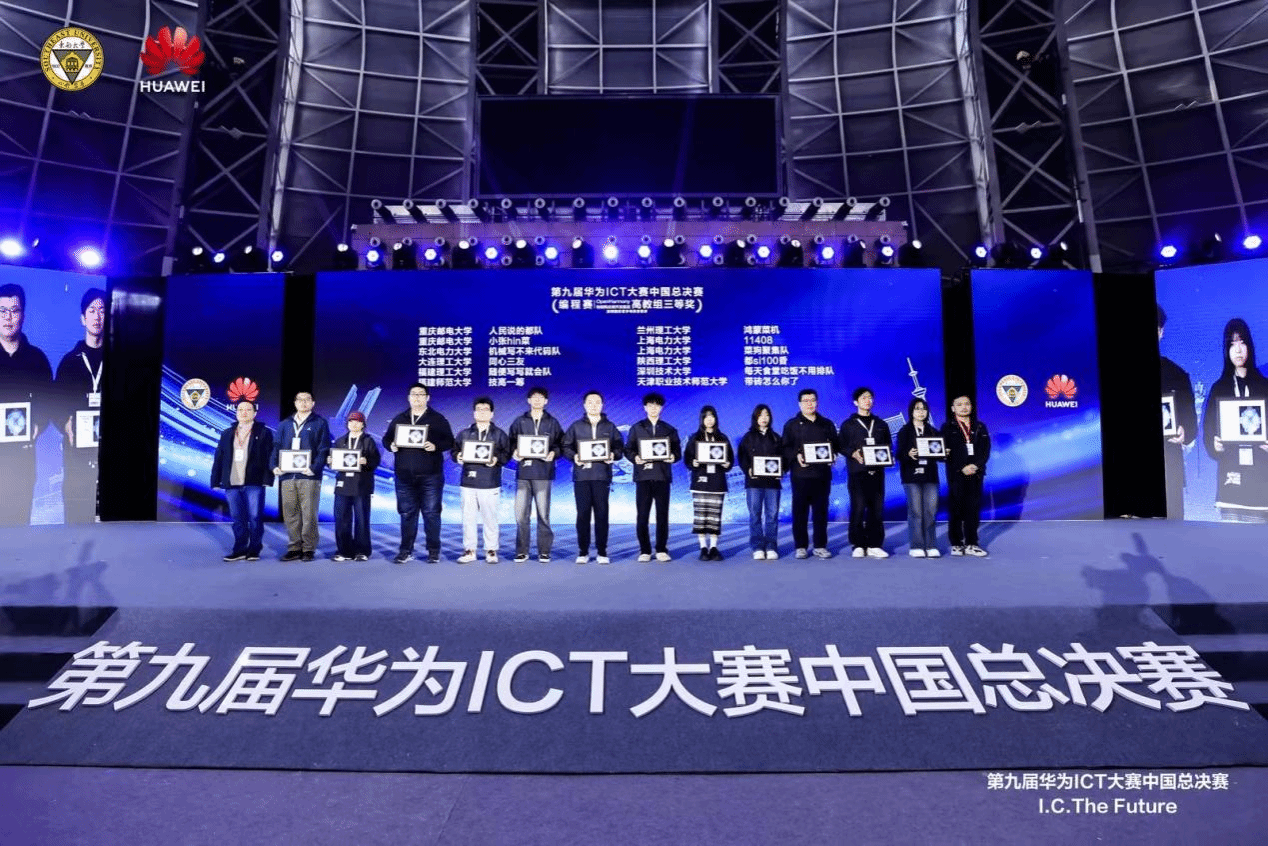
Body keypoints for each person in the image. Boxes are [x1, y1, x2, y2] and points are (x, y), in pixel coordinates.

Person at [1201, 318, 1268, 521]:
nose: (1238, 350)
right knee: (1230, 539)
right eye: (1232, 344)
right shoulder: (1219, 388)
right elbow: (1208, 431)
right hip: (1230, 485)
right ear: (1226, 350)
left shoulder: (1264, 387)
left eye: (1242, 342)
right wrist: (1214, 445)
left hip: (1261, 487)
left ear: (1250, 346)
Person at [383, 382, 454, 563]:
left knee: (431, 513)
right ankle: (406, 550)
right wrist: (391, 445)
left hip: (431, 476)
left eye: (421, 394)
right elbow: (386, 439)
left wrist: (436, 446)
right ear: (408, 398)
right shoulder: (400, 418)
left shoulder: (438, 419)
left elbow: (450, 441)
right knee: (407, 514)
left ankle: (433, 551)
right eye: (413, 394)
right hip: (404, 476)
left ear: (427, 398)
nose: (417, 397)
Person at [0, 282, 52, 527]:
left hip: (23, 461)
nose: (8, 317)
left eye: (14, 310)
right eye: (2, 311)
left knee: (19, 529)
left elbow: (49, 403)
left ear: (23, 315)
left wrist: (37, 426)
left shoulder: (37, 359)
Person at [54, 288, 107, 524]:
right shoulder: (69, 362)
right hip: (77, 453)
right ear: (83, 318)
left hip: (108, 451)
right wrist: (66, 426)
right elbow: (55, 403)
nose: (97, 316)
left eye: (102, 310)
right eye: (92, 310)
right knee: (77, 515)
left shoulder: (119, 360)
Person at [561, 390, 623, 565]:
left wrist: (613, 455)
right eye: (590, 402)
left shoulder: (609, 427)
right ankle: (583, 551)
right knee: (583, 515)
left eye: (597, 402)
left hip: (602, 476)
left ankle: (602, 551)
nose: (594, 405)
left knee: (602, 514)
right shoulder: (576, 426)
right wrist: (574, 456)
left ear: (602, 405)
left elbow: (619, 447)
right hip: (582, 476)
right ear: (584, 405)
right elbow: (566, 446)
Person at [210, 400, 274, 561]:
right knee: (238, 519)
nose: (244, 412)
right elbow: (219, 458)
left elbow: (270, 456)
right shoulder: (227, 433)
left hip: (254, 482)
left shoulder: (264, 432)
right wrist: (215, 480)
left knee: (255, 517)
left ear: (254, 413)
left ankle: (254, 550)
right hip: (232, 483)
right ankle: (239, 550)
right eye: (240, 410)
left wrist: (268, 479)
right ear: (236, 412)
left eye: (248, 410)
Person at [271, 390, 331, 562]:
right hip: (287, 476)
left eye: (307, 400)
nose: (304, 402)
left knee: (309, 514)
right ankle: (294, 547)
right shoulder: (285, 424)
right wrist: (274, 466)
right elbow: (276, 446)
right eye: (300, 400)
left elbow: (324, 448)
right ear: (295, 403)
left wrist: (314, 468)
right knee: (290, 513)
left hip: (309, 476)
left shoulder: (320, 422)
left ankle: (308, 548)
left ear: (313, 403)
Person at [508, 386, 564, 562]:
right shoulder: (520, 421)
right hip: (524, 473)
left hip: (543, 473)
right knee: (521, 515)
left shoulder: (552, 422)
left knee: (543, 515)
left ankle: (544, 551)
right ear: (528, 400)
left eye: (541, 397)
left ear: (546, 401)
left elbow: (561, 444)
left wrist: (553, 453)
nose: (537, 400)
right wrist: (514, 452)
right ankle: (522, 550)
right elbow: (510, 442)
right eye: (534, 397)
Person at [452, 396, 510, 564]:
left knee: (490, 518)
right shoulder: (464, 434)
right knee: (468, 518)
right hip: (468, 481)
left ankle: (491, 550)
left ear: (492, 414)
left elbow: (506, 454)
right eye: (479, 409)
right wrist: (458, 456)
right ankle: (469, 550)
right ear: (474, 413)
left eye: (486, 410)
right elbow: (454, 451)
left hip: (490, 481)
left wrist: (496, 459)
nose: (482, 413)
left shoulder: (499, 434)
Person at [624, 392, 682, 562]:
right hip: (643, 477)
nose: (653, 408)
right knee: (642, 515)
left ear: (661, 408)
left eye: (657, 405)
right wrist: (635, 458)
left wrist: (673, 457)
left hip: (662, 476)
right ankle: (645, 550)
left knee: (662, 515)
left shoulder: (669, 429)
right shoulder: (637, 428)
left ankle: (661, 549)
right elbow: (628, 449)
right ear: (645, 408)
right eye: (650, 405)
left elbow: (677, 451)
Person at [781, 388, 838, 559]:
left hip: (822, 475)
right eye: (805, 401)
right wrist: (796, 455)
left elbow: (836, 445)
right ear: (799, 404)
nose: (809, 404)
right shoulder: (791, 425)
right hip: (801, 476)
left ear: (817, 402)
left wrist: (833, 455)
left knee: (821, 512)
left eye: (812, 400)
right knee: (800, 513)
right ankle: (800, 546)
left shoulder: (826, 424)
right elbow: (785, 448)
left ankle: (820, 546)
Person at [840, 387, 893, 558]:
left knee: (876, 509)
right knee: (858, 508)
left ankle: (874, 544)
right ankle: (858, 544)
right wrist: (852, 453)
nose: (867, 401)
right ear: (856, 402)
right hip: (858, 472)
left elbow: (888, 445)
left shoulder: (881, 424)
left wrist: (887, 455)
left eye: (870, 397)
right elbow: (841, 445)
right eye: (863, 398)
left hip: (877, 472)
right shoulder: (848, 425)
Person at [1157, 306, 1197, 519]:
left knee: (1172, 532)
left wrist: (1184, 432)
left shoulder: (1178, 375)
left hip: (1169, 471)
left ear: (1161, 332)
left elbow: (1191, 425)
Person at [942, 395, 990, 556]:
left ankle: (971, 543)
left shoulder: (980, 427)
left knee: (973, 509)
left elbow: (985, 450)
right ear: (953, 408)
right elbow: (945, 453)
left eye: (967, 404)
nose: (964, 407)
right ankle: (956, 543)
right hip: (957, 474)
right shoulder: (947, 428)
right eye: (959, 404)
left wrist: (975, 466)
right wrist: (961, 467)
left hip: (976, 474)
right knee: (956, 509)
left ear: (971, 406)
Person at [683, 405, 733, 561]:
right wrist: (693, 463)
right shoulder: (695, 438)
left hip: (717, 482)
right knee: (701, 516)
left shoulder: (722, 438)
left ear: (716, 419)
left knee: (715, 517)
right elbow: (687, 458)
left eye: (712, 416)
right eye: (706, 417)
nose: (709, 419)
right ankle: (703, 547)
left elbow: (730, 459)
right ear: (702, 419)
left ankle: (714, 547)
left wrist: (727, 464)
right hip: (700, 481)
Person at [331, 410, 380, 562]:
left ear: (363, 424)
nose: (354, 424)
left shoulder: (368, 441)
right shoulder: (340, 441)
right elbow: (334, 461)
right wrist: (330, 461)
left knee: (362, 519)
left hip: (361, 484)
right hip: (343, 483)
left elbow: (375, 460)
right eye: (351, 421)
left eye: (357, 421)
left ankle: (362, 551)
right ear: (347, 424)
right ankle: (344, 551)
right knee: (341, 518)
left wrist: (367, 461)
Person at [896, 397, 941, 557]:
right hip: (911, 476)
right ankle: (916, 546)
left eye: (924, 409)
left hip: (930, 476)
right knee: (916, 512)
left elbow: (940, 453)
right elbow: (898, 454)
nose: (921, 412)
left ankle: (931, 545)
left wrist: (944, 452)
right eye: (917, 408)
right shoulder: (904, 431)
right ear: (911, 412)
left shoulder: (933, 431)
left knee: (931, 511)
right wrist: (908, 454)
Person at [738, 403, 783, 560]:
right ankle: (757, 546)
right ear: (755, 418)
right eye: (760, 415)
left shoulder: (776, 437)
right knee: (755, 514)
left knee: (772, 515)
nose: (764, 418)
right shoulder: (748, 437)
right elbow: (742, 457)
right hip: (754, 483)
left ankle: (771, 546)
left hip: (773, 484)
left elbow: (784, 457)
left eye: (767, 415)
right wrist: (747, 469)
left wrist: (782, 470)